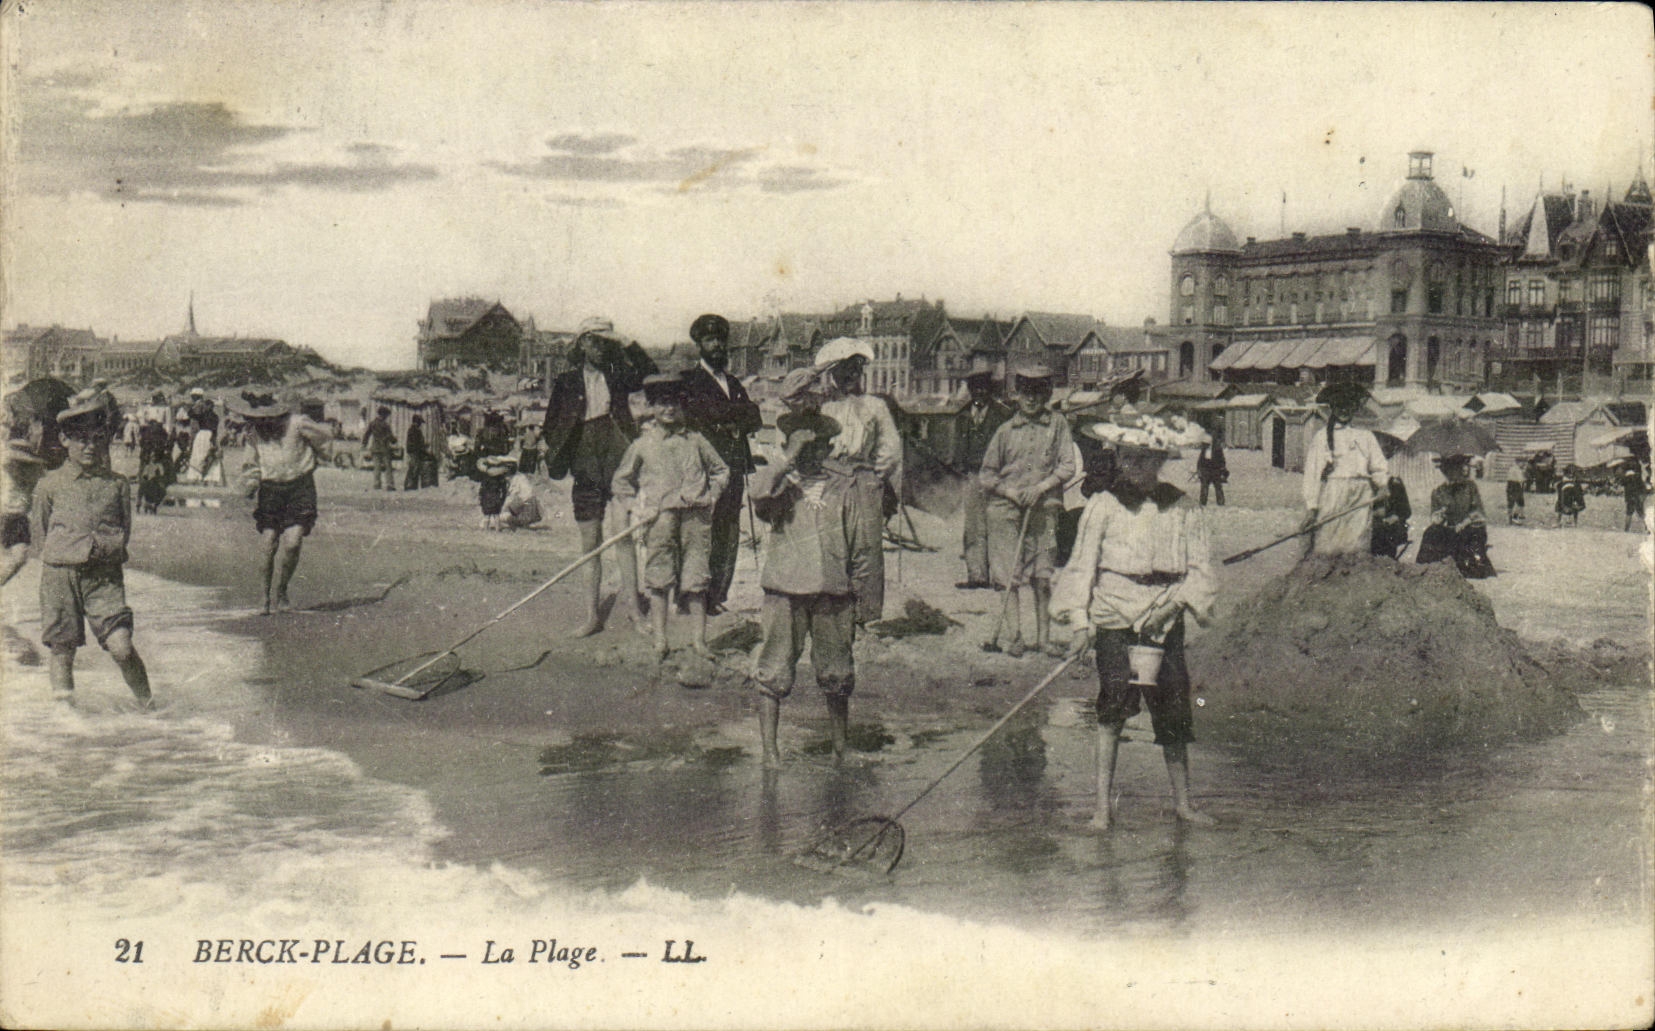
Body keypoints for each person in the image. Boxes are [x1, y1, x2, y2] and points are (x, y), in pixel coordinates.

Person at [1051, 414, 1215, 830]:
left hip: (1165, 614)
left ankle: (1183, 804)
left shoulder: (1182, 506)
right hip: (1115, 613)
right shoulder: (1102, 505)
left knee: (1174, 708)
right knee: (1112, 708)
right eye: (1129, 459)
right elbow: (1081, 568)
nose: (1136, 468)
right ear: (1120, 459)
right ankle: (1102, 808)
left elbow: (1202, 570)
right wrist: (1079, 622)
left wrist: (1174, 603)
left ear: (1161, 460)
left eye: (1147, 460)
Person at [749, 367, 857, 767]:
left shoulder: (844, 485)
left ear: (829, 447)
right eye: (803, 446)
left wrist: (860, 594)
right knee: (774, 668)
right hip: (785, 590)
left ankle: (841, 748)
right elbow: (758, 494)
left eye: (819, 445)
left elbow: (860, 543)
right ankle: (770, 751)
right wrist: (787, 459)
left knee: (837, 673)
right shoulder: (779, 484)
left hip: (833, 591)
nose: (813, 453)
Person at [32, 389, 153, 708]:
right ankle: (67, 719)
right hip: (60, 576)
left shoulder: (117, 484)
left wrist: (104, 551)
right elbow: (43, 531)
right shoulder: (49, 484)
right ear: (64, 440)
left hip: (103, 576)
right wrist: (67, 553)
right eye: (80, 439)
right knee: (62, 649)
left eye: (97, 438)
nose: (89, 446)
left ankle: (148, 705)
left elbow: (123, 531)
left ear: (105, 440)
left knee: (121, 646)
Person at [541, 317, 658, 637]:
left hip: (618, 458)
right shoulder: (566, 381)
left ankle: (635, 611)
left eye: (605, 342)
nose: (600, 347)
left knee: (623, 537)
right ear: (581, 344)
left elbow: (649, 373)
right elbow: (551, 425)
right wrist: (566, 448)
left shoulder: (618, 374)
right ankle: (592, 616)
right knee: (590, 542)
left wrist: (625, 340)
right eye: (594, 341)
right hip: (585, 462)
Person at [611, 374, 731, 661]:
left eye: (675, 403)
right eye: (663, 403)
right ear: (652, 407)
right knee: (659, 577)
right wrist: (638, 508)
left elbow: (721, 471)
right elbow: (621, 482)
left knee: (696, 578)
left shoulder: (696, 440)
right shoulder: (643, 444)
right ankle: (661, 640)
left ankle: (699, 642)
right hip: (660, 519)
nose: (669, 409)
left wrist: (711, 496)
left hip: (696, 518)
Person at [978, 365, 1076, 658]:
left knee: (1042, 575)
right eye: (1025, 392)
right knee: (1008, 577)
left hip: (1044, 509)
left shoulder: (1057, 425)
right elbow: (986, 475)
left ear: (1046, 394)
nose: (1031, 399)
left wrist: (1042, 487)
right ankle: (1015, 637)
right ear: (1017, 395)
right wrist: (1011, 492)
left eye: (1037, 392)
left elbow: (1067, 466)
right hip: (1006, 511)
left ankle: (1044, 640)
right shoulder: (1005, 431)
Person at [678, 313, 763, 615]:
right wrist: (733, 416)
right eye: (709, 340)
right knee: (700, 529)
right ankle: (691, 595)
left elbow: (755, 417)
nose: (716, 345)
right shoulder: (690, 382)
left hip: (735, 465)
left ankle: (716, 596)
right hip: (704, 469)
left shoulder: (734, 382)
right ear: (699, 344)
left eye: (720, 340)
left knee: (727, 530)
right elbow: (699, 417)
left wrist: (728, 417)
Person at [815, 338, 901, 629]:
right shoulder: (822, 408)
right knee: (831, 544)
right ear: (832, 374)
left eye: (856, 369)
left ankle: (867, 615)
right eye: (843, 370)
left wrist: (875, 475)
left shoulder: (875, 406)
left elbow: (890, 447)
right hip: (830, 481)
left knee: (866, 547)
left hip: (864, 481)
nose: (850, 376)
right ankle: (835, 614)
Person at [236, 392, 331, 613]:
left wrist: (317, 458)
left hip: (300, 487)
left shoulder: (297, 423)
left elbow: (324, 439)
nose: (261, 422)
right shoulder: (253, 433)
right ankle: (264, 597)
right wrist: (250, 483)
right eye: (256, 418)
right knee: (268, 544)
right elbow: (251, 465)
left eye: (264, 418)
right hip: (271, 490)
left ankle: (282, 590)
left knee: (293, 543)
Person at [1302, 381, 1387, 555]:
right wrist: (1312, 506)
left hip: (1361, 492)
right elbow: (1312, 474)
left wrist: (1383, 485)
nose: (1344, 410)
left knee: (1357, 541)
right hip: (1335, 491)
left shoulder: (1365, 435)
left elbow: (1378, 466)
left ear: (1355, 408)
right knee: (1330, 538)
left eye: (1348, 406)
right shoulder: (1322, 437)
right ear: (1332, 407)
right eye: (1339, 406)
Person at [952, 368, 1011, 589]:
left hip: (997, 476)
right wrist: (960, 469)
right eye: (975, 388)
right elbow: (958, 447)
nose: (979, 393)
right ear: (970, 390)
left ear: (989, 390)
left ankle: (1000, 577)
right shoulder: (963, 415)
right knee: (973, 526)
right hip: (972, 476)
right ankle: (977, 575)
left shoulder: (1002, 415)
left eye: (983, 388)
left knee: (996, 524)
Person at [1415, 454, 1495, 578]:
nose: (1453, 473)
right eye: (1449, 470)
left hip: (1469, 528)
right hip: (1450, 530)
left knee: (1473, 558)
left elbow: (1478, 512)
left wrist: (1464, 523)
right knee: (1430, 532)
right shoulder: (1439, 491)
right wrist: (1439, 516)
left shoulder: (1470, 487)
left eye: (1457, 469)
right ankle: (1423, 567)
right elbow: (1434, 517)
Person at [1369, 475, 1412, 560]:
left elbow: (1406, 511)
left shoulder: (1394, 484)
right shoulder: (1364, 484)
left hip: (1389, 527)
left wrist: (1396, 516)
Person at [475, 453, 513, 531]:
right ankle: (497, 529)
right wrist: (502, 498)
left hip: (486, 497)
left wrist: (480, 497)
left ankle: (486, 529)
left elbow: (482, 488)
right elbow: (504, 489)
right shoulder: (501, 478)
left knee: (487, 515)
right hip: (496, 496)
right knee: (496, 515)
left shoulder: (486, 477)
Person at [363, 406, 397, 491]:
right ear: (383, 414)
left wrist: (364, 444)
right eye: (386, 415)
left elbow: (367, 434)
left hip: (375, 448)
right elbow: (390, 437)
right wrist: (394, 440)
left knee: (377, 467)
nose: (387, 417)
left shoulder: (372, 423)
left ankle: (377, 484)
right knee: (388, 467)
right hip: (385, 448)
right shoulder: (385, 425)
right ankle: (389, 484)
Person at [501, 465, 544, 530]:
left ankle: (521, 523)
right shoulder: (515, 478)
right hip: (524, 506)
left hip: (528, 507)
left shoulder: (519, 479)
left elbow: (525, 496)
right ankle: (520, 524)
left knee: (503, 516)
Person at [403, 414, 436, 491]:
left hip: (414, 451)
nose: (420, 424)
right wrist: (424, 448)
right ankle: (409, 486)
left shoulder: (412, 429)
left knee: (414, 467)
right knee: (414, 467)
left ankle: (411, 485)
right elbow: (417, 443)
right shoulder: (415, 430)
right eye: (420, 422)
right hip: (415, 451)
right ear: (417, 422)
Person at [1195, 436, 1228, 507]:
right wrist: (1199, 469)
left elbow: (1222, 459)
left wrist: (1222, 468)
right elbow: (1200, 460)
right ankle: (1203, 503)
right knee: (1204, 488)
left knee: (1218, 487)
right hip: (1205, 471)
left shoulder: (1217, 449)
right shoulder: (1204, 450)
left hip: (1215, 471)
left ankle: (1221, 503)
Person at [1619, 460, 1647, 534]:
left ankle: (1626, 529)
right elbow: (1642, 487)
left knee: (1629, 513)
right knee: (1641, 514)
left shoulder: (1626, 479)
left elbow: (1621, 483)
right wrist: (1642, 496)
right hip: (1637, 497)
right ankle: (1648, 528)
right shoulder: (1638, 477)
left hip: (1630, 498)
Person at [1505, 455, 1526, 524]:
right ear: (1518, 462)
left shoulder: (1512, 468)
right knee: (1519, 502)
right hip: (1515, 485)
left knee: (1513, 502)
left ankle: (1511, 517)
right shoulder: (1517, 469)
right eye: (1522, 463)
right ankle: (1514, 517)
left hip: (1511, 485)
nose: (1523, 464)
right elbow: (1521, 479)